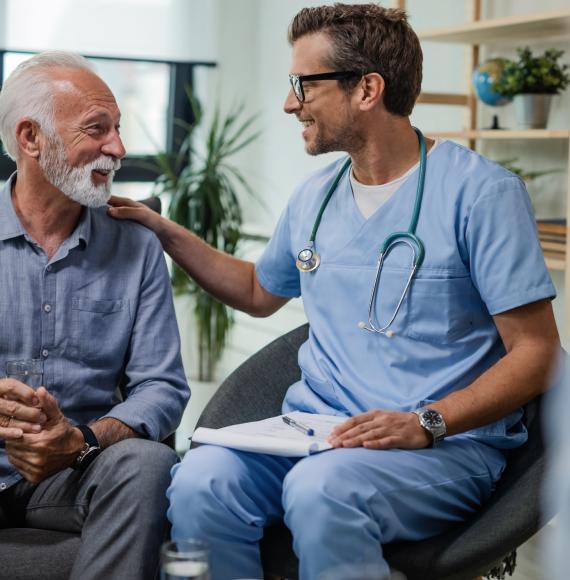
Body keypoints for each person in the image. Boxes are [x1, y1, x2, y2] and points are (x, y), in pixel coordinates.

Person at [108, 4, 560, 579]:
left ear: (367, 88)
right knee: (201, 481)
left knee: (323, 490)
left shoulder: (481, 195)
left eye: (303, 84)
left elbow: (536, 352)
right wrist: (164, 231)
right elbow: (256, 290)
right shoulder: (315, 196)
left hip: (440, 445)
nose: (289, 102)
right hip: (316, 432)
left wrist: (428, 421)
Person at [0, 51, 189, 580]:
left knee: (149, 465)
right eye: (96, 129)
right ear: (31, 138)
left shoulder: (137, 246)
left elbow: (162, 386)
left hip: (75, 474)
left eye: (118, 129)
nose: (119, 148)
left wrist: (79, 441)